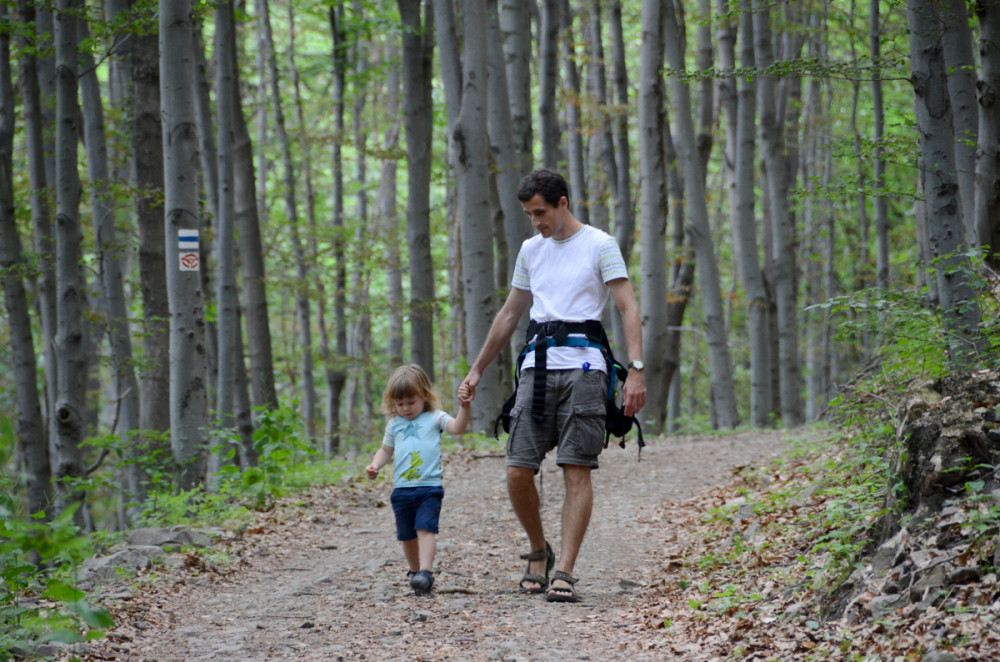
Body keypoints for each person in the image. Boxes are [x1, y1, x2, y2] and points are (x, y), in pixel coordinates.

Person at [459, 168, 646, 603]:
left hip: (585, 369)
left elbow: (627, 306)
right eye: (529, 214)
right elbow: (510, 314)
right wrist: (477, 369)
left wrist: (635, 370)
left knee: (575, 468)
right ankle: (539, 550)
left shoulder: (600, 245)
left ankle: (564, 571)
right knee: (517, 469)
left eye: (540, 212)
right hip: (536, 368)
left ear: (563, 202)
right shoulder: (530, 250)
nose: (536, 222)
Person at [366, 364, 471, 596]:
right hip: (402, 490)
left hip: (429, 488)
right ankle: (415, 574)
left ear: (424, 395)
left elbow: (457, 428)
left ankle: (426, 572)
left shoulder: (434, 418)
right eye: (400, 404)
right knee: (406, 535)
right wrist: (375, 465)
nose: (405, 408)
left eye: (411, 402)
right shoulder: (394, 424)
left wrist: (464, 407)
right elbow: (385, 450)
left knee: (426, 529)